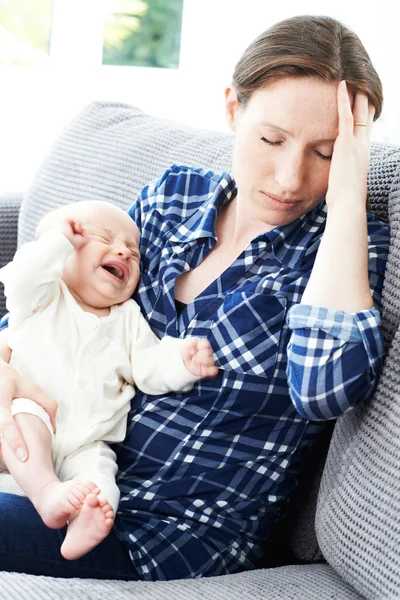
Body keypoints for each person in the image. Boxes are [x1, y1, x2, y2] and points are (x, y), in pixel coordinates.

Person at [0, 14, 390, 581]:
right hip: (65, 462)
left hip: (170, 529)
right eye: (272, 139)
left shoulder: (344, 249)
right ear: (233, 109)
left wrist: (349, 194)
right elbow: (70, 297)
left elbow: (325, 391)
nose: (288, 178)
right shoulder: (173, 196)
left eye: (324, 153)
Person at [0, 200, 217, 561]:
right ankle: (47, 494)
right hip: (32, 417)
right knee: (25, 416)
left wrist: (181, 360)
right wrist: (57, 241)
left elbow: (149, 366)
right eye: (103, 238)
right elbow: (24, 275)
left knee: (101, 480)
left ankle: (84, 523)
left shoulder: (128, 318)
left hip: (89, 442)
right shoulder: (44, 297)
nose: (124, 253)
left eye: (134, 254)